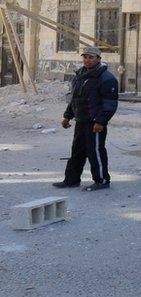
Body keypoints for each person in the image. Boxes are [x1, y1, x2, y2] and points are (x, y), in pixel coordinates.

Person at [53, 47, 118, 191]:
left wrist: (101, 121)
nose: (87, 60)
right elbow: (75, 99)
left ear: (99, 59)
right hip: (81, 120)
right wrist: (67, 116)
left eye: (91, 57)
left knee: (95, 151)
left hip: (94, 122)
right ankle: (71, 180)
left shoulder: (106, 78)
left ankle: (101, 180)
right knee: (77, 151)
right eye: (85, 57)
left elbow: (110, 103)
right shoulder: (79, 76)